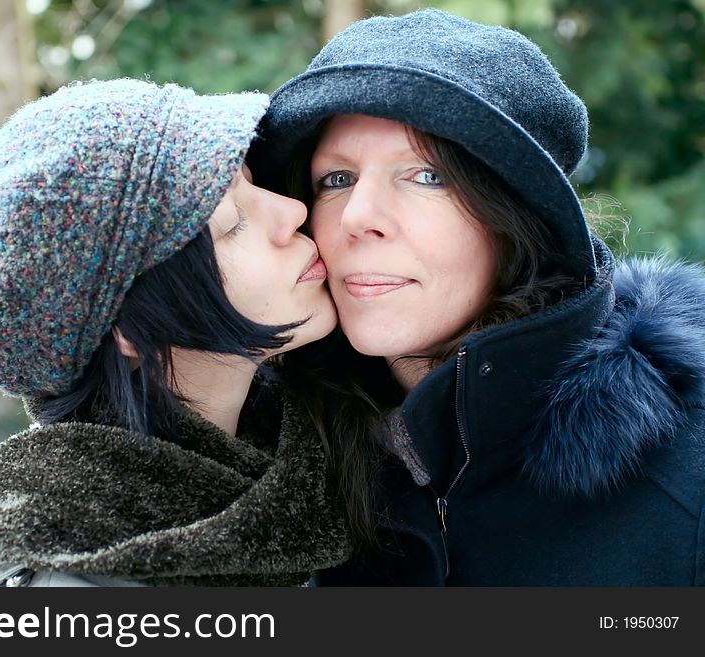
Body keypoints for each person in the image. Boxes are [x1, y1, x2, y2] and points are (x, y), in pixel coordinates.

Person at [250, 9, 705, 585]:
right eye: (336, 180)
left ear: (518, 218)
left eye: (425, 176)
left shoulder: (688, 474)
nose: (359, 217)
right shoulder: (274, 471)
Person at [0, 78, 350, 587]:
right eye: (231, 223)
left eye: (251, 184)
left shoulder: (307, 463)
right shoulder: (49, 575)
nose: (293, 212)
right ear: (129, 328)